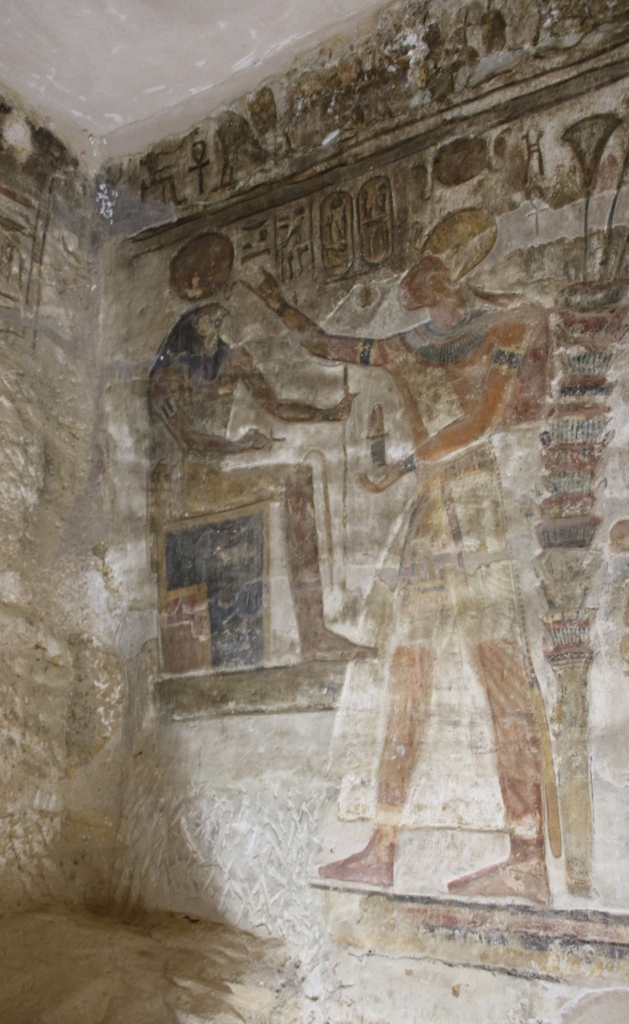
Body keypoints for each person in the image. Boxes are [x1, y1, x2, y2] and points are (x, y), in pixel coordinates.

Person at [249, 253, 557, 904]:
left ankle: (527, 856)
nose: (405, 284)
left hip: (473, 508)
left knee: (501, 673)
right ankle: (382, 847)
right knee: (406, 675)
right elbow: (325, 345)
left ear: (450, 272)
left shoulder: (502, 328)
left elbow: (484, 421)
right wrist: (276, 301)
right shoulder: (404, 345)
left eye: (420, 271)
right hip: (429, 516)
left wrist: (402, 463)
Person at [149, 302, 376, 663]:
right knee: (292, 480)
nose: (217, 328)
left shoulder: (232, 360)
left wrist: (326, 413)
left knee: (299, 475)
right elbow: (189, 442)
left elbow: (276, 405)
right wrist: (238, 446)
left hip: (218, 476)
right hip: (189, 486)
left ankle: (314, 634)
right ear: (190, 326)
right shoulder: (166, 379)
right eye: (208, 321)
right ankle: (313, 635)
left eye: (220, 319)